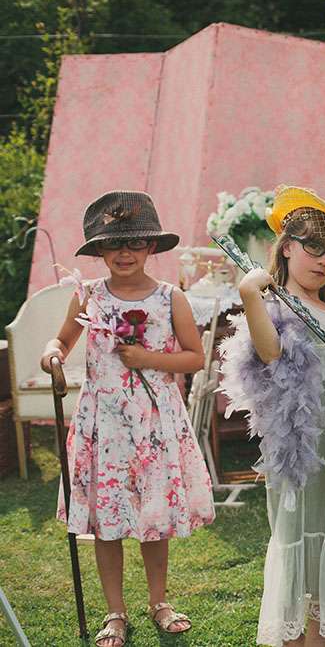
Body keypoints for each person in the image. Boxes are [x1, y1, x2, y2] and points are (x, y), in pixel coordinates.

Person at [217, 186, 325, 647]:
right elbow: (271, 352)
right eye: (314, 247)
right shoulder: (277, 306)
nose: (324, 261)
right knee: (313, 539)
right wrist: (250, 294)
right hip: (314, 449)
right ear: (287, 246)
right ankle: (307, 638)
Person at [40, 191, 216, 647]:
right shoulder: (88, 296)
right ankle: (115, 611)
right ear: (99, 250)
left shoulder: (170, 298)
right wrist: (52, 354)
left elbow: (195, 358)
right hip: (105, 425)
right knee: (109, 519)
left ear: (151, 247)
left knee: (152, 516)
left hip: (154, 424)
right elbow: (63, 340)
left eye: (135, 243)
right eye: (113, 244)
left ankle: (159, 601)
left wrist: (147, 358)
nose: (124, 253)